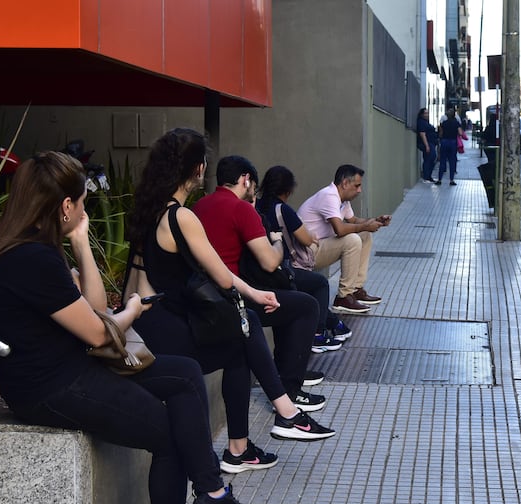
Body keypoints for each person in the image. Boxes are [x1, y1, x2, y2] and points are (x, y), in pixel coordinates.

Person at [0, 151, 269, 504]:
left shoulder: (28, 247)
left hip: (68, 369)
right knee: (169, 434)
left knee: (184, 372)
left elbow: (95, 310)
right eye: (82, 204)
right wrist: (132, 309)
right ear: (66, 205)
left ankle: (212, 495)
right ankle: (209, 498)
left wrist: (81, 243)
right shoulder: (32, 259)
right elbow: (100, 331)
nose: (84, 212)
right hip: (52, 387)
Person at [126, 129, 336, 474]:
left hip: (152, 322)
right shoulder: (182, 216)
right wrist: (256, 294)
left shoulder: (150, 213)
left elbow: (138, 281)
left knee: (241, 340)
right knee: (245, 326)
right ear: (197, 169)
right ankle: (285, 412)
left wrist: (133, 314)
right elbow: (221, 276)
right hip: (171, 330)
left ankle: (241, 449)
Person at [192, 155, 329, 410]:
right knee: (306, 306)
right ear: (245, 180)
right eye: (252, 183)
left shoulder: (200, 206)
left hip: (204, 296)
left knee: (283, 300)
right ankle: (290, 389)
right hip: (233, 297)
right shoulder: (241, 209)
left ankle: (283, 378)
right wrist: (278, 241)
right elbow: (268, 262)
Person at [256, 165, 353, 352]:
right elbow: (306, 239)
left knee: (310, 290)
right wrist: (313, 237)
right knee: (320, 284)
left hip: (260, 270)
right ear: (288, 190)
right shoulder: (283, 210)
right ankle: (318, 335)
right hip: (282, 268)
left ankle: (336, 324)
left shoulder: (257, 206)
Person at [297, 164, 390, 314]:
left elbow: (353, 221)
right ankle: (344, 297)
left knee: (364, 236)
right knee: (352, 240)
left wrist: (375, 220)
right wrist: (366, 226)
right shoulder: (329, 196)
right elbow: (339, 230)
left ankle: (355, 289)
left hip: (319, 246)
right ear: (345, 183)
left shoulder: (343, 201)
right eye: (357, 186)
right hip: (305, 252)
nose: (359, 190)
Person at [437, 108, 465, 186]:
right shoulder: (456, 123)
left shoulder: (444, 123)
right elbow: (460, 133)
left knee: (442, 161)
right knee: (452, 160)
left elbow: (440, 134)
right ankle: (451, 180)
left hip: (444, 142)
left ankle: (439, 179)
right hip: (453, 142)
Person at [416, 108, 438, 183]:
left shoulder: (426, 122)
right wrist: (427, 145)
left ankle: (428, 176)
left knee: (431, 158)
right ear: (422, 114)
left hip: (431, 142)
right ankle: (426, 177)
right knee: (429, 159)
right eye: (425, 113)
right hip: (427, 143)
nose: (427, 115)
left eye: (427, 113)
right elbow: (422, 134)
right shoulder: (421, 122)